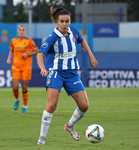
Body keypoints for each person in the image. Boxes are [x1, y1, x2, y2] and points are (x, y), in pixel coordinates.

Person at [36, 7, 99, 145]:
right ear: (56, 22)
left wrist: (91, 55)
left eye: (67, 21)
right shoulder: (52, 37)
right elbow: (40, 54)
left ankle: (69, 125)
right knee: (52, 105)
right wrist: (43, 68)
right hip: (56, 72)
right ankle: (42, 138)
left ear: (70, 21)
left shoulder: (74, 31)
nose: (65, 24)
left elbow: (82, 41)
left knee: (84, 105)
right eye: (62, 21)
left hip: (72, 73)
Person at [7, 25, 38, 113]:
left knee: (24, 87)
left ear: (25, 32)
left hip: (26, 67)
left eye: (23, 30)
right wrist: (9, 58)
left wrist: (28, 54)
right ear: (18, 31)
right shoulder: (13, 41)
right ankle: (17, 99)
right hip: (16, 66)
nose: (21, 31)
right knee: (15, 87)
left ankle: (25, 106)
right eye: (20, 30)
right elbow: (12, 50)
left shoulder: (29, 41)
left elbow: (36, 51)